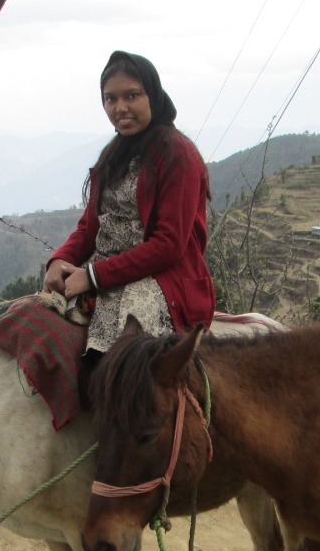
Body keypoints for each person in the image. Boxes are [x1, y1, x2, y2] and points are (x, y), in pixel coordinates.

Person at [43, 51, 215, 390]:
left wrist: (93, 276)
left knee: (122, 367)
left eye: (132, 96)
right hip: (106, 272)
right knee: (36, 323)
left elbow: (169, 245)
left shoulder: (177, 155)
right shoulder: (116, 153)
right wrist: (60, 260)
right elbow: (91, 226)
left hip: (162, 279)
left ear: (153, 95)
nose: (120, 108)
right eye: (111, 99)